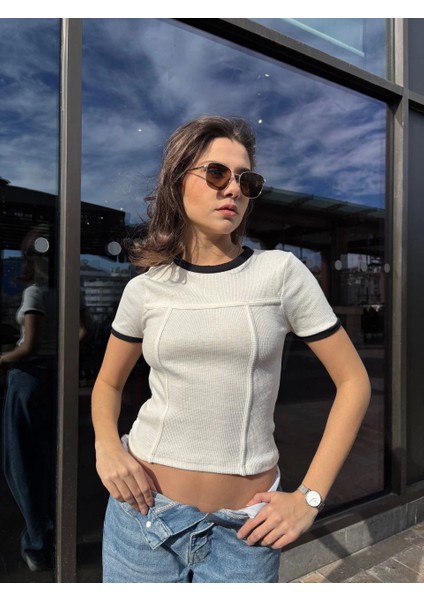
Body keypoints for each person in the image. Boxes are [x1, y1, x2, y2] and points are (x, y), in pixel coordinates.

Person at [91, 115, 371, 583]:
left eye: (247, 180)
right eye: (217, 173)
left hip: (245, 532)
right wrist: (106, 447)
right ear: (177, 181)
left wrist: (310, 498)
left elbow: (353, 381)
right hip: (142, 517)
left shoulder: (280, 274)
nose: (234, 190)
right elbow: (107, 384)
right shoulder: (146, 289)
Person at [0, 228, 56, 572]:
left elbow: (29, 345)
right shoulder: (68, 291)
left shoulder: (35, 293)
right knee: (47, 459)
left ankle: (36, 544)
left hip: (28, 379)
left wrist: (2, 358)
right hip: (53, 377)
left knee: (19, 462)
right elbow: (81, 332)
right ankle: (49, 532)